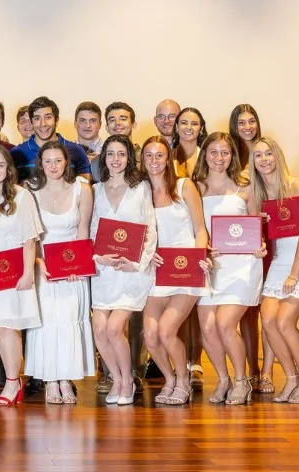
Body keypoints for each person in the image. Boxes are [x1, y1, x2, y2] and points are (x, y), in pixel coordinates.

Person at [250, 137, 299, 404]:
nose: (264, 159)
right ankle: (292, 378)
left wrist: (294, 275)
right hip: (281, 257)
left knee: (284, 321)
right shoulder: (259, 195)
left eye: (268, 153)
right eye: (258, 155)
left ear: (278, 156)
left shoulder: (294, 185)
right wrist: (259, 234)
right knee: (269, 321)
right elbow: (260, 237)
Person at [193, 132, 266, 406]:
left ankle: (241, 380)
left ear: (232, 156)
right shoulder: (195, 189)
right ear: (205, 155)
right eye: (213, 152)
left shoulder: (245, 188)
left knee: (225, 324)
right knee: (208, 328)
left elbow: (256, 228)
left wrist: (259, 245)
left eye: (225, 152)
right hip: (209, 266)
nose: (219, 158)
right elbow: (193, 228)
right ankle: (222, 378)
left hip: (241, 266)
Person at [0, 145, 44, 407]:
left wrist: (27, 274)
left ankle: (13, 381)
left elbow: (29, 239)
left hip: (10, 273)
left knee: (6, 327)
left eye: (1, 165)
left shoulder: (21, 196)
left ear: (9, 168)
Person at [140, 136, 211, 406]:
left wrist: (199, 256)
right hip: (156, 269)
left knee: (168, 330)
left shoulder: (184, 186)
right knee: (150, 335)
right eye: (148, 155)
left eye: (159, 155)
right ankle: (169, 379)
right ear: (142, 159)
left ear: (168, 158)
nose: (154, 161)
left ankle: (183, 380)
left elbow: (200, 229)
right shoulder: (142, 192)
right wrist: (148, 252)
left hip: (186, 269)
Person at [24, 142, 95, 404]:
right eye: (48, 161)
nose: (53, 166)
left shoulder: (82, 189)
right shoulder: (29, 190)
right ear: (40, 163)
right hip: (41, 264)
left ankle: (66, 379)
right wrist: (38, 262)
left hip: (72, 269)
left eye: (58, 161)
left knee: (69, 320)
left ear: (67, 162)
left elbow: (83, 231)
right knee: (46, 323)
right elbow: (29, 234)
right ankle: (50, 380)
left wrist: (79, 266)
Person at [90, 135, 158, 407]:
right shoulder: (95, 190)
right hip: (105, 270)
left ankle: (128, 379)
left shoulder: (140, 187)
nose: (115, 159)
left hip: (131, 270)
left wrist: (138, 262)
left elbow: (150, 228)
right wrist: (99, 258)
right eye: (110, 154)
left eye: (121, 154)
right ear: (103, 158)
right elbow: (92, 230)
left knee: (115, 327)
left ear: (129, 157)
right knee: (99, 328)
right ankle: (117, 378)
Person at [228, 103, 272, 393]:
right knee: (245, 310)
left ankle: (266, 372)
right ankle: (251, 368)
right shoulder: (228, 157)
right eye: (241, 122)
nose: (247, 126)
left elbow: (280, 193)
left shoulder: (268, 153)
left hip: (268, 234)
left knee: (267, 307)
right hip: (240, 239)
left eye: (251, 121)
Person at [10, 96, 91, 182]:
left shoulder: (76, 151)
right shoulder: (16, 153)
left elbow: (84, 188)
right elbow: (10, 190)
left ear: (56, 120)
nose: (43, 124)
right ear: (31, 122)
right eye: (37, 118)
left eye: (48, 117)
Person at [171, 107, 208, 178]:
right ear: (176, 127)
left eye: (194, 124)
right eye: (184, 123)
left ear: (201, 129)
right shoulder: (168, 157)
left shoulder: (208, 158)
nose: (189, 127)